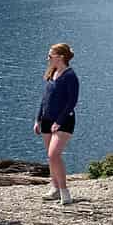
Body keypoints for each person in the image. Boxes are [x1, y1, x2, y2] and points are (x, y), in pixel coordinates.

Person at [35, 42, 80, 206]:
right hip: (46, 120)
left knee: (54, 154)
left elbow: (72, 102)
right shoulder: (52, 73)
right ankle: (54, 188)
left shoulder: (70, 76)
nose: (48, 58)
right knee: (50, 156)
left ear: (60, 57)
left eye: (50, 55)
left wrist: (59, 122)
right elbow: (44, 99)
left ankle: (64, 191)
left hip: (64, 121)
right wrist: (37, 119)